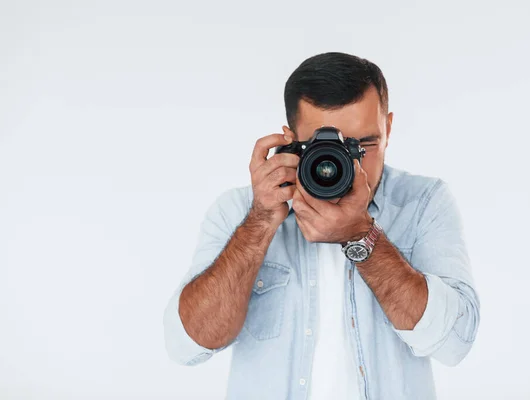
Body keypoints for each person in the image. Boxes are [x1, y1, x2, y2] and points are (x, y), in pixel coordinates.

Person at [163, 52, 480, 400]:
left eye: (365, 144)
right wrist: (260, 223)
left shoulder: (422, 203)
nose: (346, 164)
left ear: (388, 127)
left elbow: (455, 343)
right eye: (323, 147)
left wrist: (364, 236)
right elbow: (188, 345)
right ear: (290, 138)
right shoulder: (241, 211)